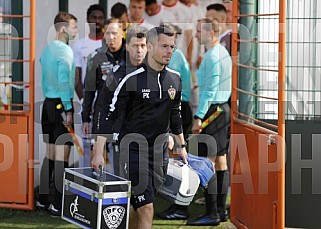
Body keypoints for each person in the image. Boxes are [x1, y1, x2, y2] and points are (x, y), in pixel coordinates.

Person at [92, 26, 187, 229]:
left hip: (159, 153)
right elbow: (109, 116)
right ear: (150, 47)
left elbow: (175, 114)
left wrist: (181, 145)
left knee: (137, 206)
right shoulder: (130, 80)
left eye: (172, 47)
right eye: (164, 46)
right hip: (132, 150)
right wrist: (98, 152)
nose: (169, 51)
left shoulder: (175, 79)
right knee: (147, 207)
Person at [186, 17, 232, 226]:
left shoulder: (213, 56)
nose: (196, 35)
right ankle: (220, 211)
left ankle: (211, 213)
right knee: (220, 162)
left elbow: (210, 90)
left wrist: (198, 116)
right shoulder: (222, 52)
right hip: (222, 110)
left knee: (209, 164)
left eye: (199, 31)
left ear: (211, 33)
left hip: (213, 111)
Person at [92, 25, 149, 175]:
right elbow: (102, 109)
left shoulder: (157, 73)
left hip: (150, 143)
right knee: (124, 187)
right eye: (135, 46)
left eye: (143, 46)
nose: (139, 50)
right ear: (127, 46)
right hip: (123, 141)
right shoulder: (116, 75)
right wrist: (98, 150)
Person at [37, 11, 78, 217]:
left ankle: (43, 200)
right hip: (61, 106)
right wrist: (68, 109)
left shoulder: (47, 50)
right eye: (74, 27)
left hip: (47, 106)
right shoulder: (66, 51)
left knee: (50, 153)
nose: (76, 31)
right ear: (63, 28)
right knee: (62, 155)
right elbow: (64, 82)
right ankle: (58, 205)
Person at [72, 4, 105, 168]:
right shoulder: (79, 45)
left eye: (100, 18)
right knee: (85, 145)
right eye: (94, 17)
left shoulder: (110, 45)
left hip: (106, 106)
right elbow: (76, 77)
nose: (97, 21)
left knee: (106, 145)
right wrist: (85, 101)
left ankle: (106, 184)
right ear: (88, 20)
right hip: (87, 105)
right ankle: (85, 183)